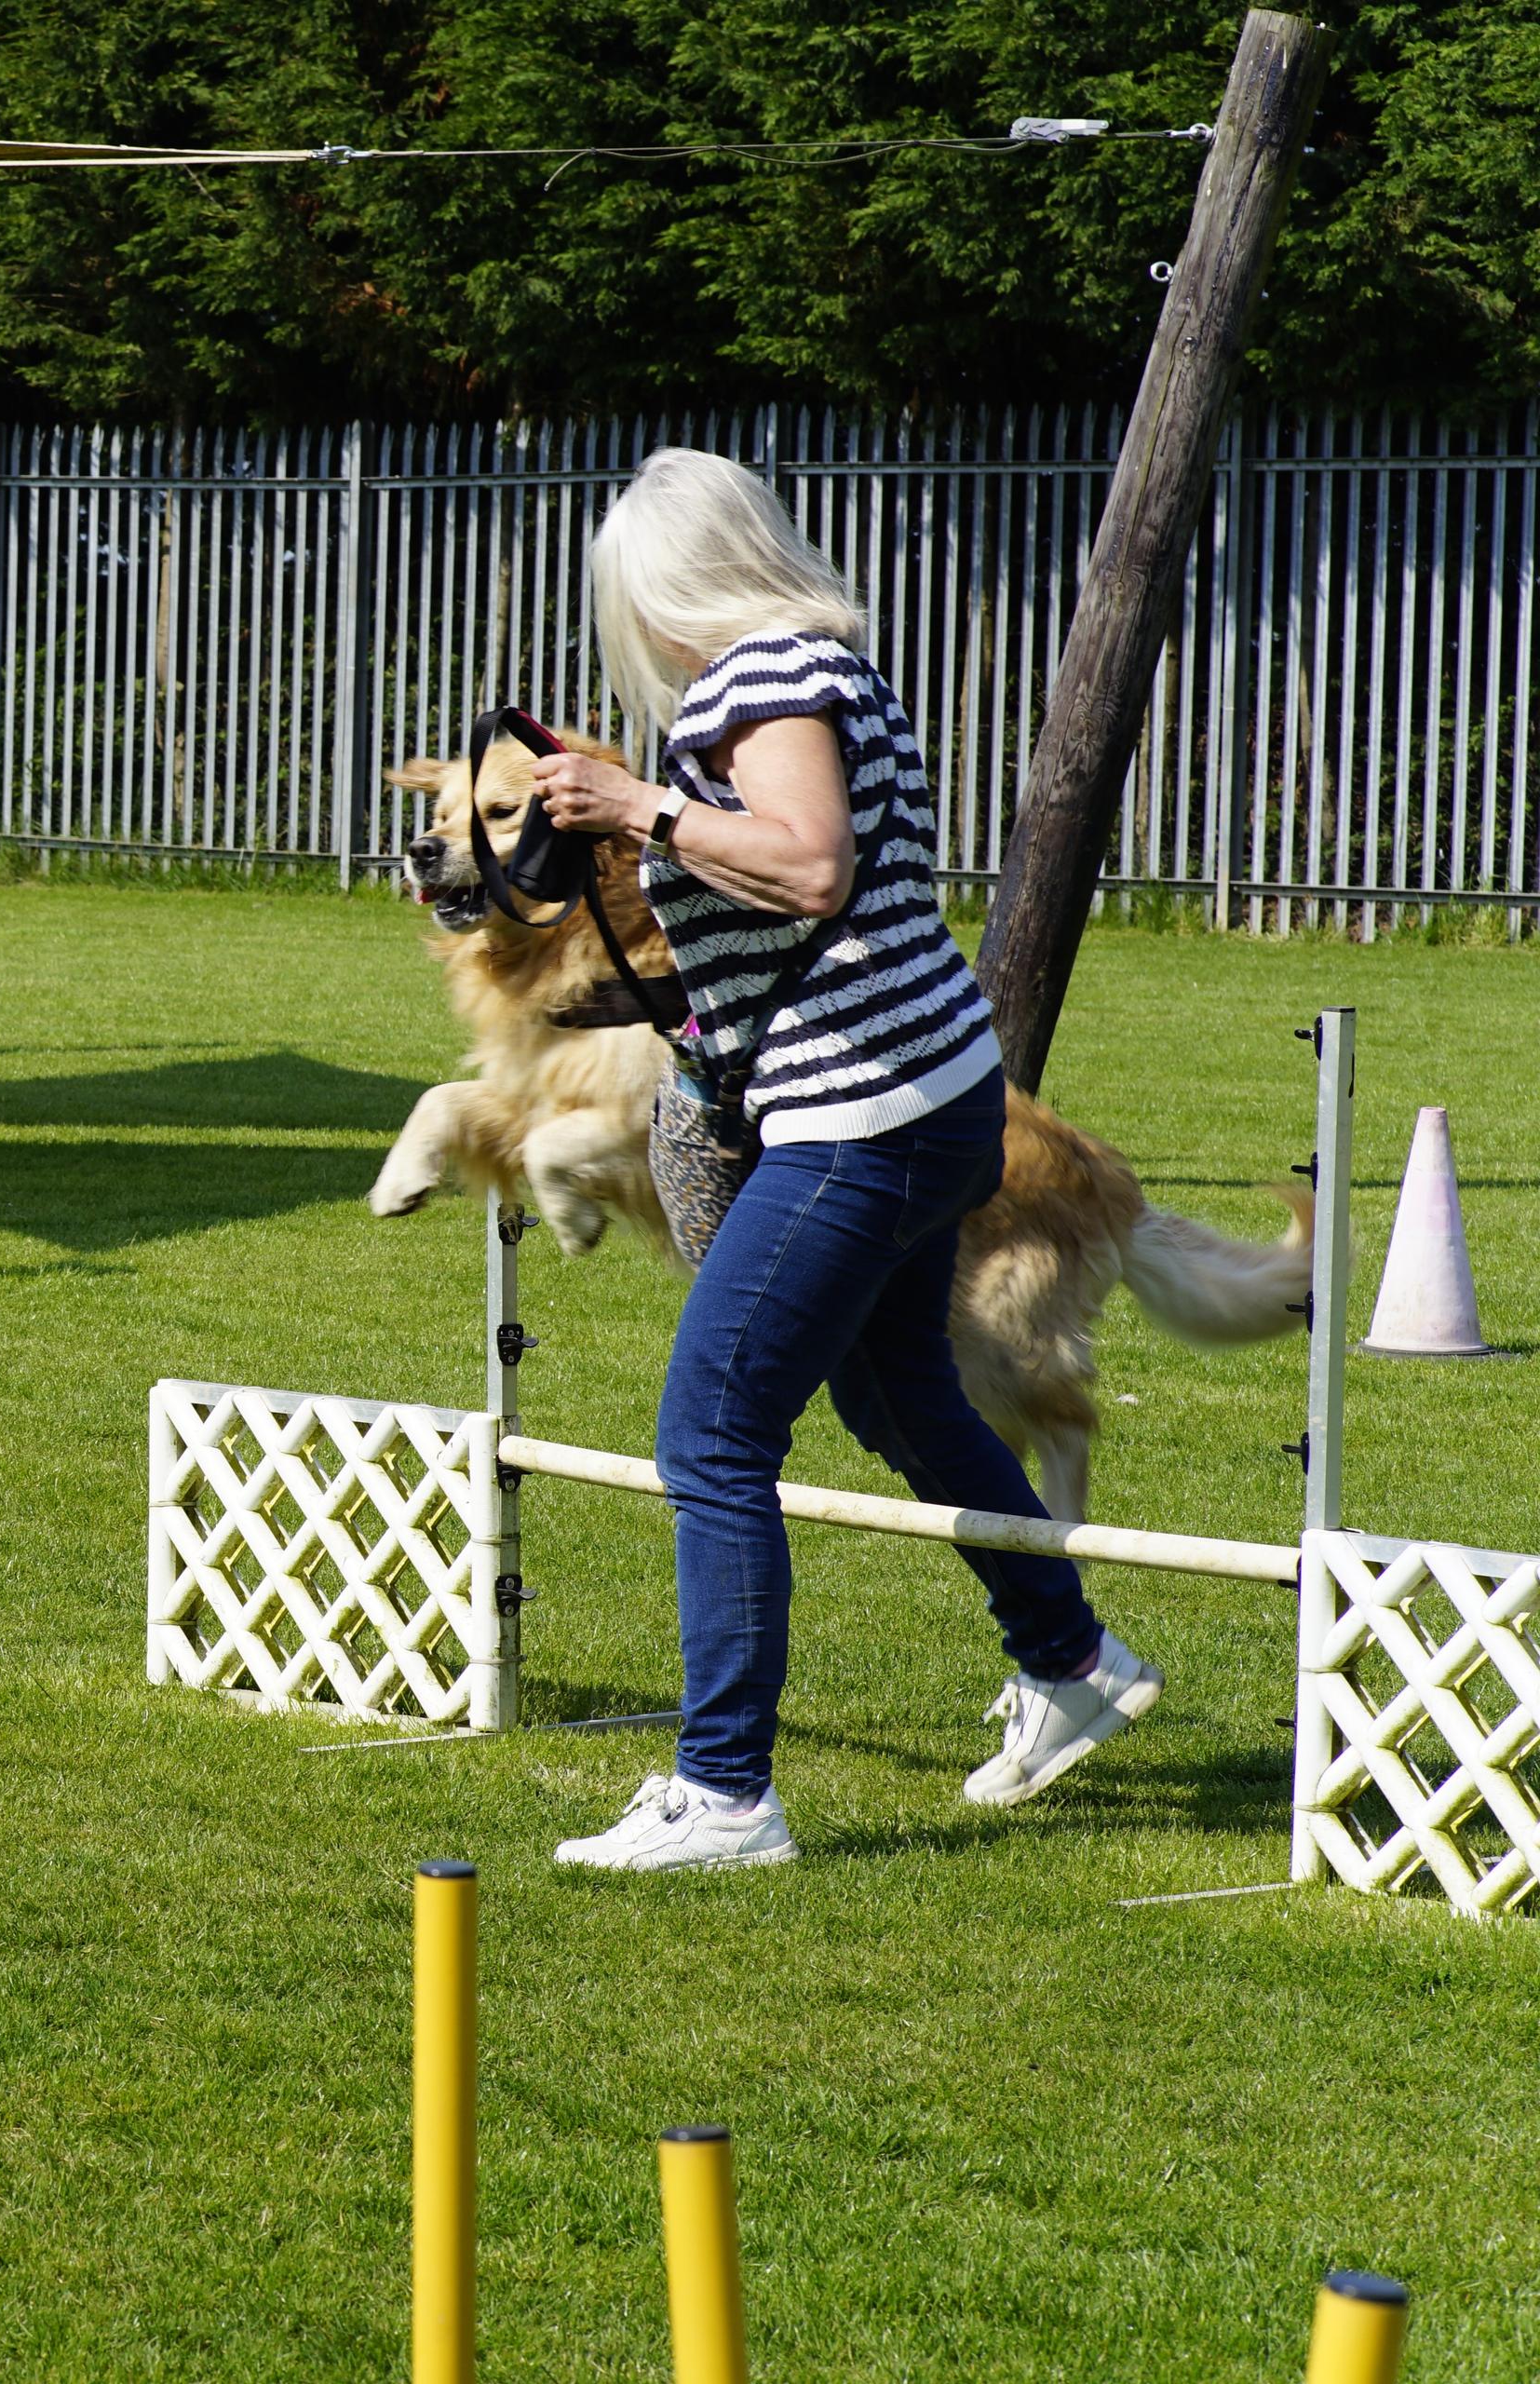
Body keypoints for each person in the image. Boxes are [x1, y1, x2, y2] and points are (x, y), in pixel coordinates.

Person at [526, 447, 1162, 1874]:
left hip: (862, 1112)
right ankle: (1071, 1661)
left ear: (672, 588)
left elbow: (807, 863)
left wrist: (644, 810)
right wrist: (639, 806)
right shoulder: (809, 671)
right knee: (899, 1398)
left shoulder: (767, 677)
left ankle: (727, 1791)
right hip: (925, 1098)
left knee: (713, 1427)